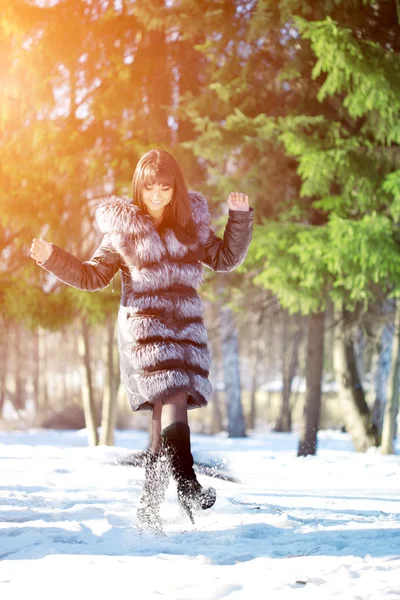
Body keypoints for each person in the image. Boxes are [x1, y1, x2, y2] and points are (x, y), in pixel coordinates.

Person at [30, 148, 254, 533]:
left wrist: (239, 219)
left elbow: (224, 259)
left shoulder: (191, 226)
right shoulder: (123, 231)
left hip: (185, 329)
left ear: (174, 189)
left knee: (159, 431)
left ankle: (148, 512)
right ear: (139, 186)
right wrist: (53, 257)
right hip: (146, 330)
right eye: (149, 187)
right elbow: (91, 276)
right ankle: (187, 485)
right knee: (173, 398)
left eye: (164, 188)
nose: (156, 195)